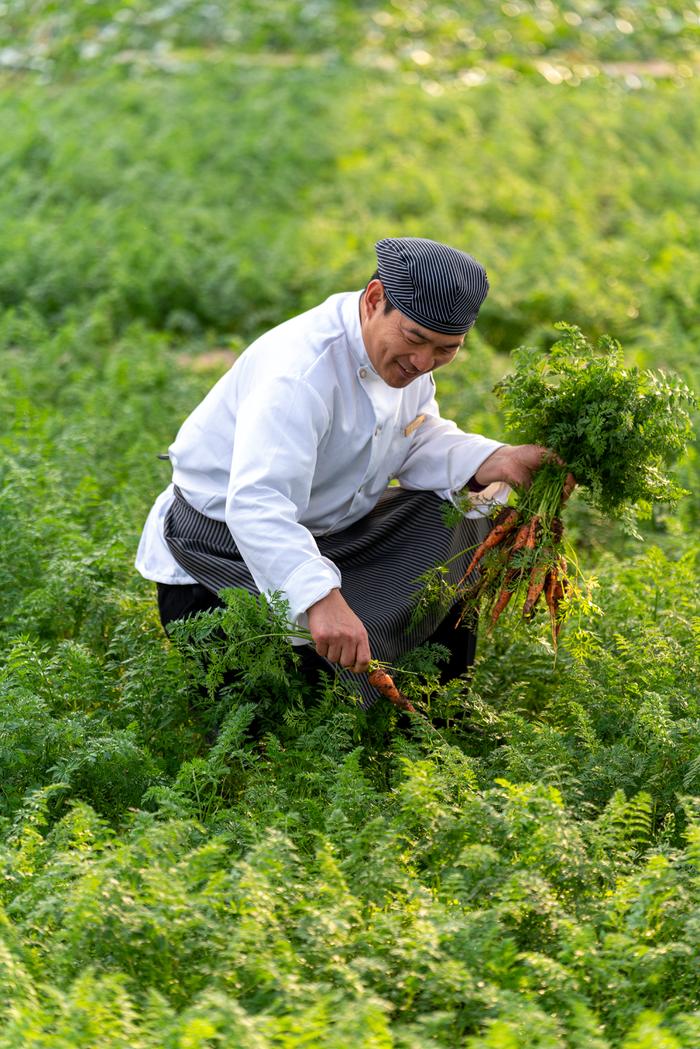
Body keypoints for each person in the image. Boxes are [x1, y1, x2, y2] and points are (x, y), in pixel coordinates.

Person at [136, 236, 561, 708]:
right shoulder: (300, 375)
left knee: (464, 517)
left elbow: (411, 436)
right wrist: (319, 599)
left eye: (447, 349)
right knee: (273, 712)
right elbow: (258, 506)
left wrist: (495, 460)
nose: (423, 363)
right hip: (219, 560)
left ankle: (439, 706)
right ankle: (347, 677)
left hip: (331, 535)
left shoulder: (403, 362)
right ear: (375, 298)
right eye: (415, 339)